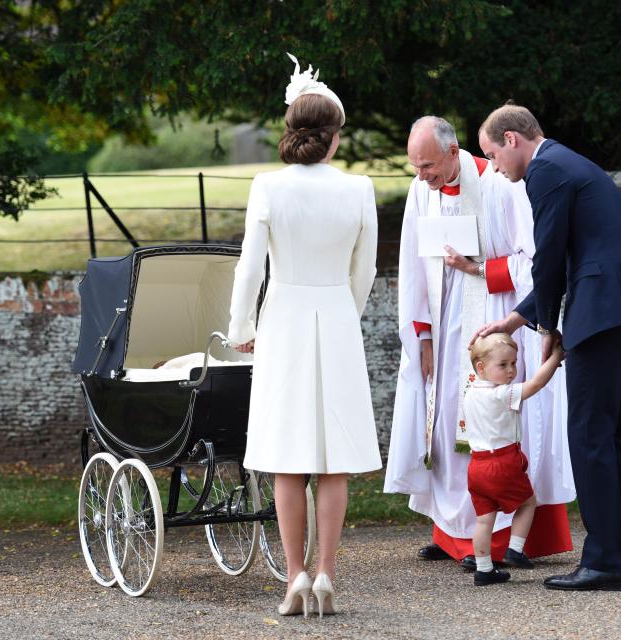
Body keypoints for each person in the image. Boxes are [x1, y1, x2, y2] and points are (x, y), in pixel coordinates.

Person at [476, 104, 621, 591]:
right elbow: (566, 257)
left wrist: (545, 326)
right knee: (614, 435)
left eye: (493, 156)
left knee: (588, 434)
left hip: (604, 311)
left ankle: (605, 562)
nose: (496, 169)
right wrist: (520, 315)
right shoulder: (568, 163)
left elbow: (549, 256)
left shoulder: (545, 172)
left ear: (511, 139)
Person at [383, 116, 575, 570]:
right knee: (447, 419)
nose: (421, 175)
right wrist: (422, 334)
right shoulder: (419, 192)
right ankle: (452, 534)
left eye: (428, 165)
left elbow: (537, 260)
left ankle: (501, 539)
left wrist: (480, 270)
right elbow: (412, 263)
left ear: (454, 153)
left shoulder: (500, 184)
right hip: (443, 322)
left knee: (491, 423)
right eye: (415, 166)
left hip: (492, 317)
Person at [228, 54, 382, 618]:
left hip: (285, 318)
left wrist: (242, 326)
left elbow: (249, 269)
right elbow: (364, 273)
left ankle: (294, 575)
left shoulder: (267, 186)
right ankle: (326, 574)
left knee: (287, 458)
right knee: (333, 460)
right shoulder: (360, 189)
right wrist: (347, 312)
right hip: (336, 317)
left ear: (291, 131)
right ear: (335, 136)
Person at [463, 333, 565, 586]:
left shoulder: (471, 391)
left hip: (476, 466)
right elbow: (536, 385)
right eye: (503, 365)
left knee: (484, 519)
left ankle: (484, 569)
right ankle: (515, 549)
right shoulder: (500, 394)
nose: (511, 371)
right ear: (481, 367)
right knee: (528, 503)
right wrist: (555, 358)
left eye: (513, 363)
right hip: (502, 462)